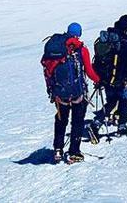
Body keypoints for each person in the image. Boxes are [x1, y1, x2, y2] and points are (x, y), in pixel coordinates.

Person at [41, 22, 100, 164]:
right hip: (77, 93)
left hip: (60, 93)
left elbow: (48, 70)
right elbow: (89, 71)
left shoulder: (55, 48)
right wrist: (98, 80)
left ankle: (58, 149)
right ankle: (74, 152)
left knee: (61, 120)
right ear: (79, 34)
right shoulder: (81, 49)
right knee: (77, 122)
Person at [89, 15, 127, 140]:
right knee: (123, 102)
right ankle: (122, 125)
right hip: (120, 79)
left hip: (105, 78)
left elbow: (96, 61)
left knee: (111, 102)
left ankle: (97, 122)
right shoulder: (123, 43)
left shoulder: (104, 41)